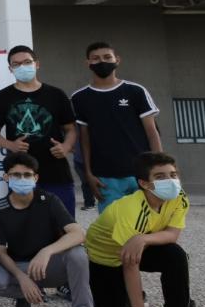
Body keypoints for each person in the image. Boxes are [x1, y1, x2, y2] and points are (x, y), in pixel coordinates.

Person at [85, 152, 202, 307]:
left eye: (173, 175)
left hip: (139, 246)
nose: (171, 181)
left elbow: (172, 234)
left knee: (175, 255)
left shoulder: (179, 197)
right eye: (160, 177)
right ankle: (91, 285)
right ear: (144, 183)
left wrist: (144, 238)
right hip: (105, 257)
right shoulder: (131, 208)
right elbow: (130, 263)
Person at [0, 153, 104, 307]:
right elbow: (0, 252)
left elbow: (78, 233)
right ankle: (25, 295)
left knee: (77, 253)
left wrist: (46, 251)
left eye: (27, 174)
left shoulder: (49, 200)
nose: (22, 179)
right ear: (6, 178)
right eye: (15, 175)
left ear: (36, 177)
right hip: (20, 267)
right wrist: (22, 278)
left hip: (50, 266)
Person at [0, 45, 79, 215]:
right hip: (19, 173)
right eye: (16, 64)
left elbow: (71, 129)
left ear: (37, 64)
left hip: (56, 171)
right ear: (10, 69)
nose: (22, 67)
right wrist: (10, 145)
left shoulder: (56, 94)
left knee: (63, 223)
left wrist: (65, 147)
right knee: (23, 223)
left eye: (27, 62)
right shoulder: (2, 97)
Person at [70, 42, 163, 212]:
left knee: (147, 226)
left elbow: (152, 132)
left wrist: (158, 169)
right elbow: (84, 139)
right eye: (96, 59)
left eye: (107, 57)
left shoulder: (135, 91)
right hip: (105, 177)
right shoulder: (79, 97)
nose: (102, 62)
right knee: (113, 230)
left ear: (117, 60)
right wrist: (89, 174)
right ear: (88, 63)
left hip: (141, 174)